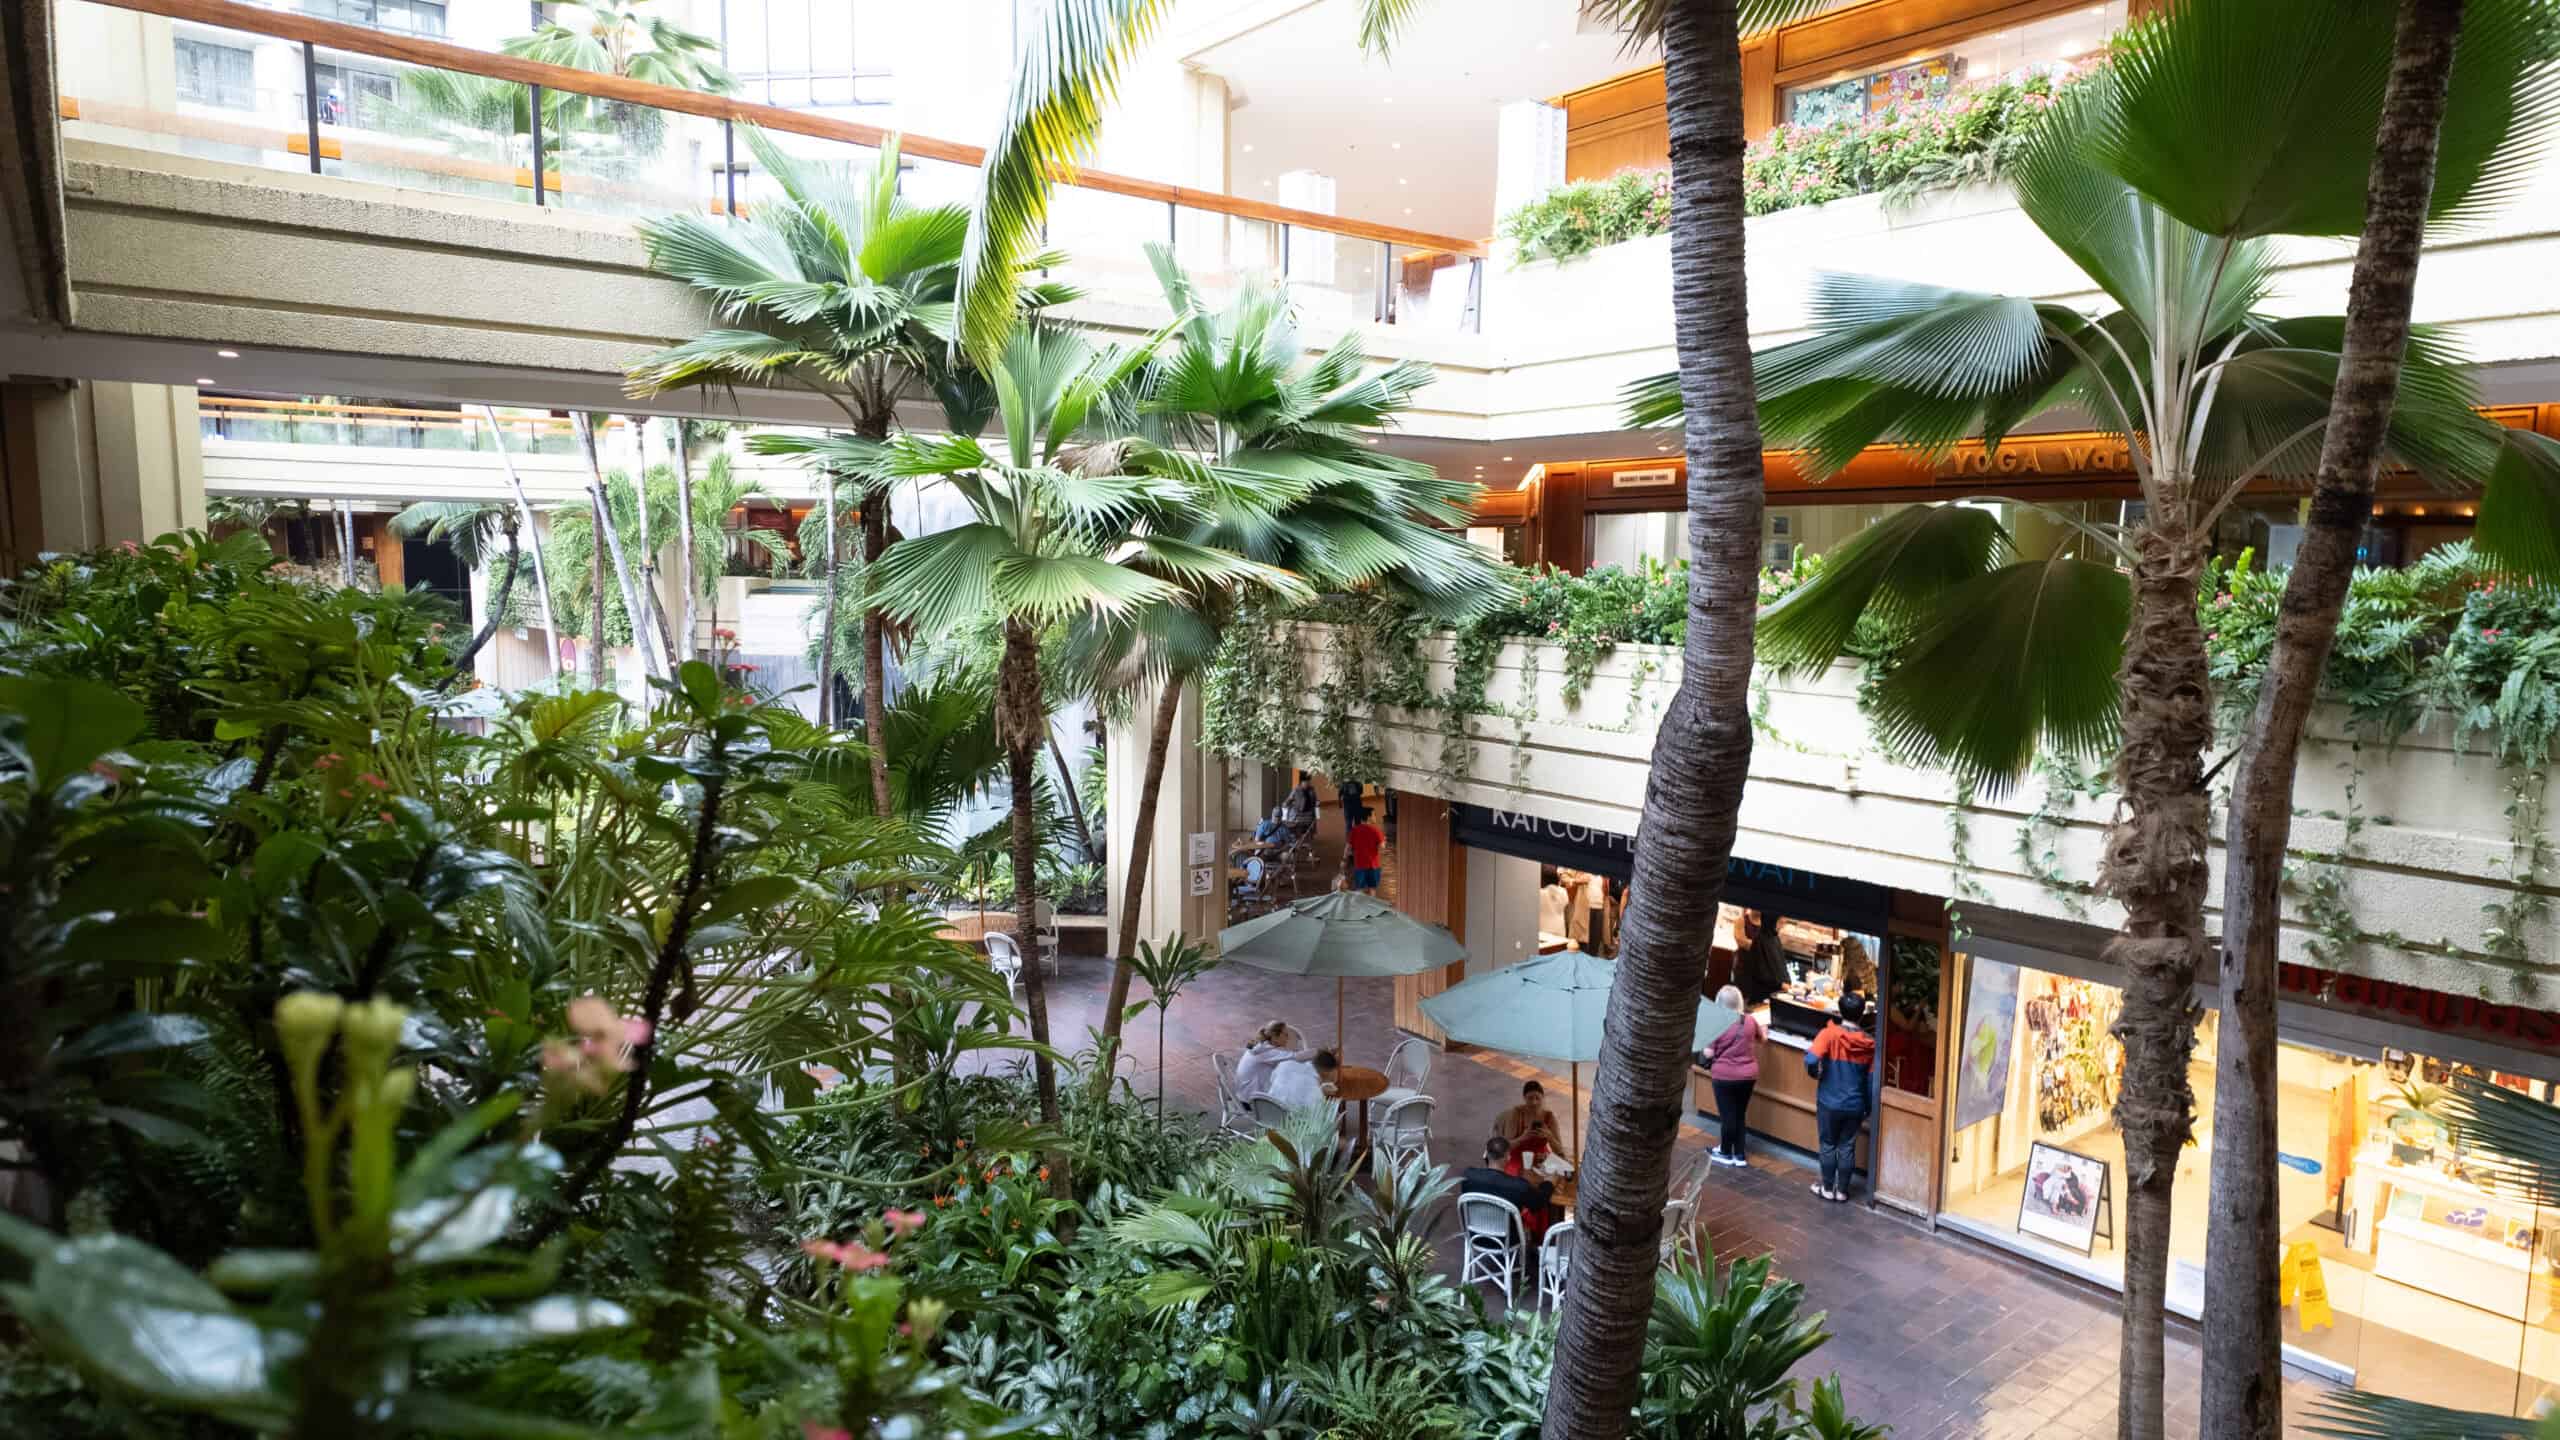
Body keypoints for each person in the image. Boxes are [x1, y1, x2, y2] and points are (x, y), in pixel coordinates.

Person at [1803, 991, 1876, 1203]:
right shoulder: (1869, 1044)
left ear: (1839, 1010)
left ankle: (1826, 1188)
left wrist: (1817, 1074)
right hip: (1855, 1104)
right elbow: (1871, 1080)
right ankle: (1842, 1191)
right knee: (1847, 1146)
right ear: (1862, 1014)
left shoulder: (1829, 1034)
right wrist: (1868, 1106)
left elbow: (1810, 1059)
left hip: (1829, 1100)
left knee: (1828, 1144)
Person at [1702, 984, 1762, 1168]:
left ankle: (1726, 1152)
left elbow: (1708, 1054)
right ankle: (1740, 1154)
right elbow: (1762, 1038)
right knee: (1739, 1114)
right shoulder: (1750, 1021)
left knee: (1728, 1116)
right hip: (1748, 1075)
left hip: (1725, 1076)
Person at [1461, 1136, 1557, 1244]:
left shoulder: (1468, 1176)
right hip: (1506, 1241)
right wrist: (1549, 1181)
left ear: (1485, 1154)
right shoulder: (1518, 1186)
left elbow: (1488, 1181)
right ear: (1508, 1157)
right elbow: (1539, 1203)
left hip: (1475, 1236)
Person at [1235, 1021, 1320, 1108]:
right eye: (1285, 1035)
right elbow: (1297, 1057)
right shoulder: (1266, 1052)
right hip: (1252, 1102)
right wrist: (1321, 1051)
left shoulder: (1261, 1046)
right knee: (1298, 1087)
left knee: (1292, 1077)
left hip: (1245, 1094)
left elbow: (1289, 1056)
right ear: (1275, 1037)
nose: (1288, 1038)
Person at [1733, 907, 1791, 1006]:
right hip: (1744, 968)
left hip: (1759, 973)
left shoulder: (1767, 928)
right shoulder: (1742, 921)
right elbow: (1741, 940)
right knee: (1743, 999)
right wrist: (1762, 948)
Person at [1493, 1079, 1563, 1156]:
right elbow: (1506, 1147)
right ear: (1524, 1098)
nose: (1534, 1102)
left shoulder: (1549, 1117)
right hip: (1517, 1155)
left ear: (1543, 1098)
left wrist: (1549, 1136)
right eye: (1530, 1098)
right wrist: (1523, 1137)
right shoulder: (1517, 1113)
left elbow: (1560, 1150)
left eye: (1537, 1098)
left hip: (1540, 1156)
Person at [1346, 809, 1385, 893]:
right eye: (1374, 815)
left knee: (1360, 889)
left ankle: (1361, 905)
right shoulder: (1376, 831)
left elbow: (1348, 847)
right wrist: (1383, 841)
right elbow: (1382, 847)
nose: (1375, 817)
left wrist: (1343, 859)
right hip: (1373, 865)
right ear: (1369, 817)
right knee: (1372, 889)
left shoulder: (1354, 830)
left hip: (1359, 865)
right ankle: (1370, 905)